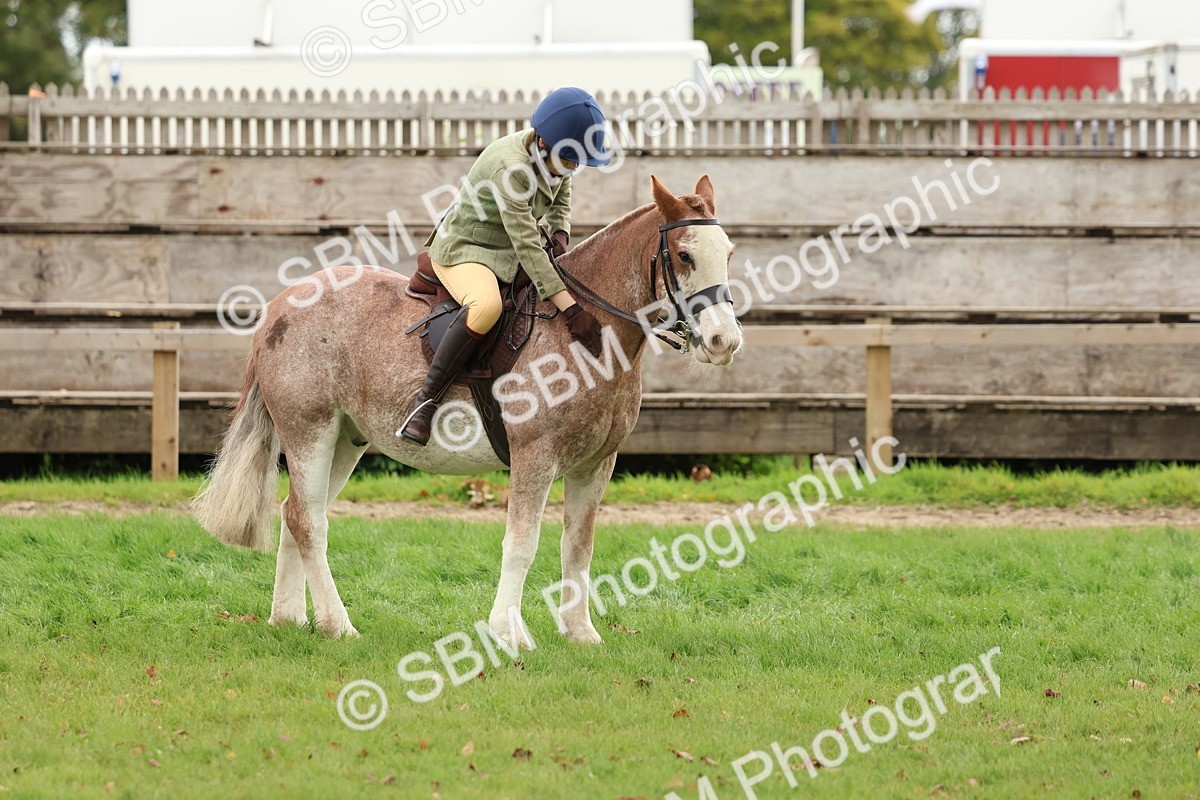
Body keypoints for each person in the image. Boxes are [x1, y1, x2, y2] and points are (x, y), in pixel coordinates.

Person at [400, 87, 608, 446]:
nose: (573, 168)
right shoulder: (511, 169)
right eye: (570, 160)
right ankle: (425, 400)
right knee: (487, 307)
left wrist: (560, 235)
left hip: (508, 248)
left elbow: (561, 199)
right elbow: (527, 245)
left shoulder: (555, 152)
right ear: (542, 143)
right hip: (467, 249)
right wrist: (572, 311)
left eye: (577, 162)